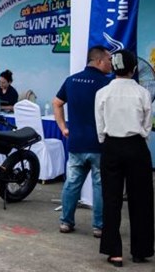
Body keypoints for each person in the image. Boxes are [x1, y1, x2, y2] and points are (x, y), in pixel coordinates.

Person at [95, 49, 153, 266]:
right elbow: (147, 125)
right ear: (134, 69)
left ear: (114, 68)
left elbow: (100, 126)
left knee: (112, 199)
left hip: (111, 146)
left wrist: (108, 141)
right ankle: (141, 250)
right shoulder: (143, 93)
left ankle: (114, 251)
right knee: (141, 200)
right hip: (136, 146)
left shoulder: (102, 93)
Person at [53, 45, 113, 237]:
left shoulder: (71, 80)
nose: (112, 64)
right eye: (109, 60)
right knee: (100, 185)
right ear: (99, 61)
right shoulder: (106, 83)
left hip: (76, 142)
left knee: (72, 183)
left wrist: (63, 128)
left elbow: (57, 103)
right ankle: (99, 226)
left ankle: (66, 222)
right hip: (99, 143)